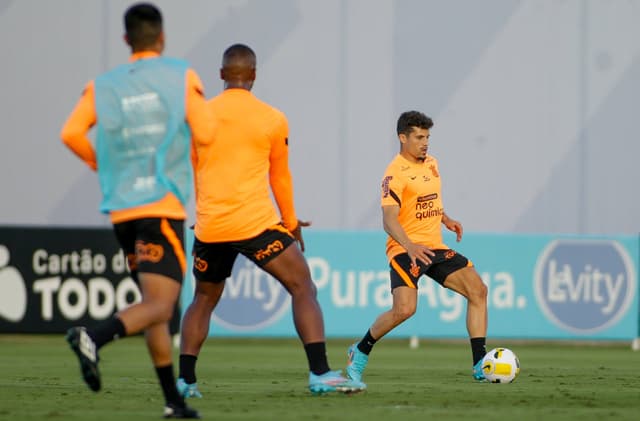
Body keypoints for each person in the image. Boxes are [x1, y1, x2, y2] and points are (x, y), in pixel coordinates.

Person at [176, 43, 365, 397]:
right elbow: (280, 177)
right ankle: (320, 373)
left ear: (221, 75)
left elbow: (195, 168)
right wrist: (290, 222)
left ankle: (185, 381)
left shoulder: (198, 115)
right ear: (254, 75)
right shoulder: (272, 118)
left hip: (211, 224)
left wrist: (203, 212)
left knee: (202, 299)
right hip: (254, 224)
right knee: (302, 286)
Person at [60, 3, 213, 418]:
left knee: (152, 308)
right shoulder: (181, 75)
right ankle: (94, 336)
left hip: (123, 213)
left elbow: (71, 133)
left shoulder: (102, 86)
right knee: (162, 307)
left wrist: (102, 164)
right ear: (161, 37)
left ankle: (172, 402)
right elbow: (208, 132)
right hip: (160, 207)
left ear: (127, 39)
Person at [346, 111, 489, 384]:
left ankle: (480, 364)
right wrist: (409, 246)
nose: (425, 143)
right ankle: (360, 349)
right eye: (419, 137)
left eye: (428, 137)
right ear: (403, 138)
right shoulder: (394, 174)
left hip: (434, 246)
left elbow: (429, 198)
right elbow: (388, 220)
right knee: (404, 310)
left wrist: (445, 218)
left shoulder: (432, 163)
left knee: (478, 291)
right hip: (405, 249)